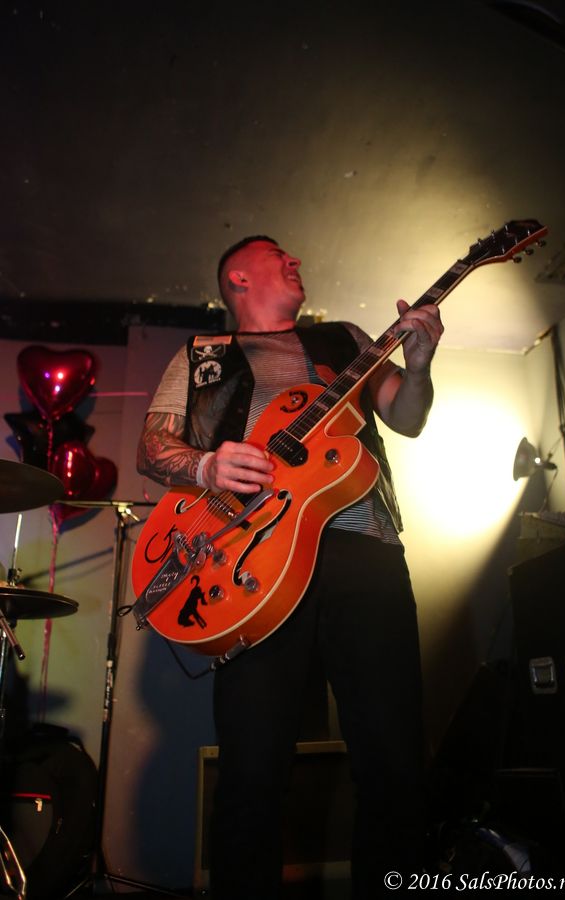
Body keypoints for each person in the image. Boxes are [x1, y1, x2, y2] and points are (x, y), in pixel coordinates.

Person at [137, 235, 444, 899]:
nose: (295, 259)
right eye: (277, 253)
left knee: (394, 761)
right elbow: (152, 448)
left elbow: (406, 418)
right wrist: (206, 464)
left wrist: (418, 367)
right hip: (254, 567)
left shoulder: (345, 339)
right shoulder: (203, 355)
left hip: (365, 557)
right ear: (239, 277)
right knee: (252, 769)